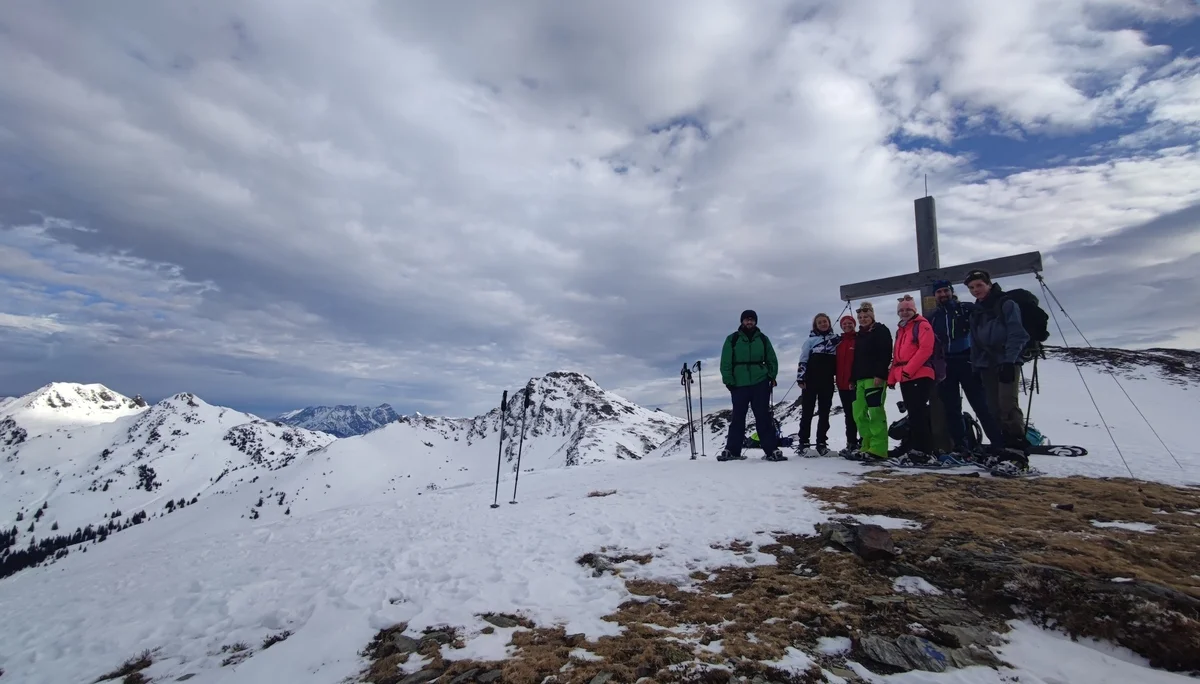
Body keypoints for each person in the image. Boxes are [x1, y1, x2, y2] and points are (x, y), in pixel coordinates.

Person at [929, 279, 1004, 453]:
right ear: (935, 296)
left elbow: (988, 324)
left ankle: (998, 443)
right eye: (939, 292)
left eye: (945, 291)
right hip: (945, 364)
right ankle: (960, 445)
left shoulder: (967, 309)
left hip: (968, 361)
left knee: (981, 404)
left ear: (951, 291)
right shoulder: (933, 317)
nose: (943, 295)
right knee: (951, 407)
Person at [964, 270, 1030, 450]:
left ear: (989, 285)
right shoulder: (976, 312)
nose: (976, 290)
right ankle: (1002, 445)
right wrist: (976, 367)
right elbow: (975, 342)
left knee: (1007, 404)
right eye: (971, 287)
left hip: (1006, 362)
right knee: (993, 407)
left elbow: (1017, 333)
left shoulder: (1006, 304)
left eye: (979, 285)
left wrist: (1010, 361)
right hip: (986, 364)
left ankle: (1016, 445)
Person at [718, 309, 785, 462]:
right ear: (742, 321)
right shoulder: (732, 339)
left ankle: (771, 449)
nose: (749, 322)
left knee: (763, 416)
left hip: (760, 381)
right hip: (738, 383)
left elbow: (771, 359)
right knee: (737, 417)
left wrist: (771, 376)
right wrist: (728, 380)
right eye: (746, 319)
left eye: (752, 320)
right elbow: (726, 361)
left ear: (755, 322)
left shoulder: (763, 339)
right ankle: (732, 450)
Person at [887, 295, 936, 457]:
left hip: (920, 374)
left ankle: (924, 449)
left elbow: (926, 349)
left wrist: (909, 370)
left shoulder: (922, 325)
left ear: (914, 310)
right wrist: (892, 377)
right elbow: (897, 356)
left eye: (908, 309)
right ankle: (912, 446)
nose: (905, 312)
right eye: (901, 310)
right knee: (913, 414)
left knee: (918, 412)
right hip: (905, 377)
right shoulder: (901, 329)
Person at [848, 302, 892, 460]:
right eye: (860, 317)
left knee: (875, 412)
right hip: (860, 379)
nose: (863, 319)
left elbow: (885, 352)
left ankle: (878, 448)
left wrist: (880, 374)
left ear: (872, 316)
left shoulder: (881, 330)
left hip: (874, 378)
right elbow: (857, 358)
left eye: (866, 316)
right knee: (858, 413)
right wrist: (852, 378)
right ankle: (866, 444)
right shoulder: (860, 335)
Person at [795, 312, 839, 456]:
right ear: (815, 325)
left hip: (827, 380)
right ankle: (804, 443)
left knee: (824, 412)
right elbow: (803, 359)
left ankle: (821, 443)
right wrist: (801, 378)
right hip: (811, 380)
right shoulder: (810, 341)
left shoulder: (836, 340)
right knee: (807, 412)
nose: (823, 324)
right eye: (819, 322)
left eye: (825, 321)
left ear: (829, 322)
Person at [834, 315, 859, 456]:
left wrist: (853, 379)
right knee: (849, 414)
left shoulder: (858, 340)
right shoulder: (839, 342)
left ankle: (863, 440)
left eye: (850, 323)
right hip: (842, 384)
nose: (847, 326)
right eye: (844, 324)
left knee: (859, 413)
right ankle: (851, 442)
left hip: (854, 383)